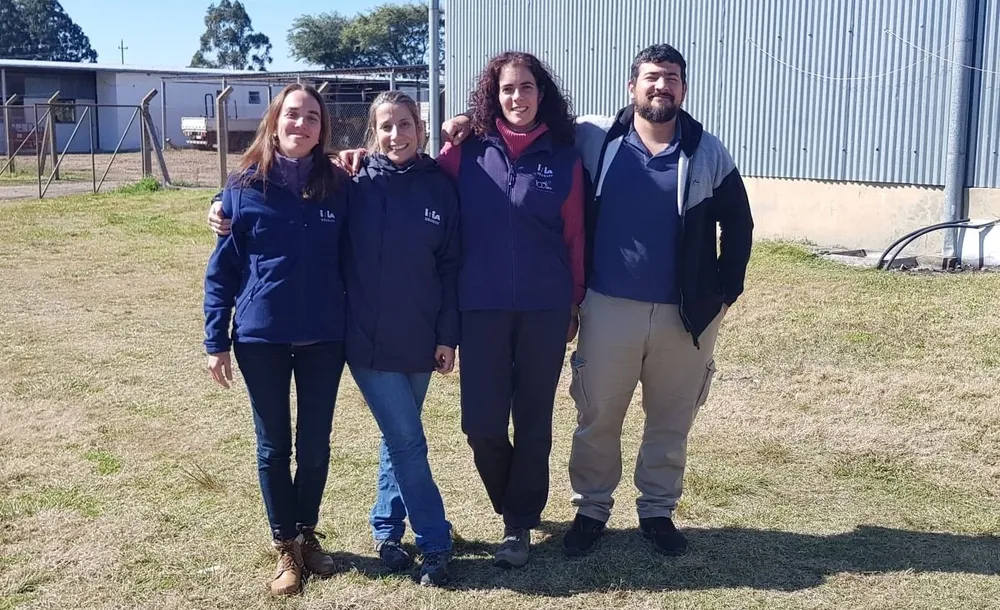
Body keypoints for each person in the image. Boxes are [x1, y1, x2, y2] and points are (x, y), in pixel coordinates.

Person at [443, 44, 754, 558]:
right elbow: (521, 123)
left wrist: (724, 293)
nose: (662, 86)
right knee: (597, 416)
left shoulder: (708, 151)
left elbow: (738, 225)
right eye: (651, 77)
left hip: (684, 316)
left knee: (671, 419)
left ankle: (657, 510)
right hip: (608, 306)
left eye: (672, 77)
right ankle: (591, 510)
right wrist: (462, 120)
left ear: (684, 88)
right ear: (631, 88)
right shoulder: (596, 138)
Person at [209, 91, 460, 586]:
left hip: (369, 336)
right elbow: (227, 255)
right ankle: (422, 541)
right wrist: (215, 205)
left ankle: (372, 532)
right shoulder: (315, 182)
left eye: (406, 124)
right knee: (386, 441)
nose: (396, 134)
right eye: (385, 126)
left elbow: (448, 262)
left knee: (359, 439)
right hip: (308, 338)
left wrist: (448, 334)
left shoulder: (374, 185)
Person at [439, 51, 585, 569]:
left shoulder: (564, 156)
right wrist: (357, 162)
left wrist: (574, 301)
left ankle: (517, 523)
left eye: (526, 87)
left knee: (533, 420)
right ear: (492, 95)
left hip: (545, 309)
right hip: (480, 308)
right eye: (507, 89)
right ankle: (514, 503)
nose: (517, 97)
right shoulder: (465, 153)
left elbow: (575, 238)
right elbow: (409, 179)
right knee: (480, 424)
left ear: (540, 93)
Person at [203, 83, 349, 596]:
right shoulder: (243, 187)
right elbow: (222, 271)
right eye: (292, 114)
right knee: (273, 446)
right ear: (275, 120)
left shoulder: (340, 185)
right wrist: (215, 339)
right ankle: (284, 544)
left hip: (325, 338)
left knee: (314, 446)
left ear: (321, 129)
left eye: (312, 117)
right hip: (261, 338)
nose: (301, 124)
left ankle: (307, 534)